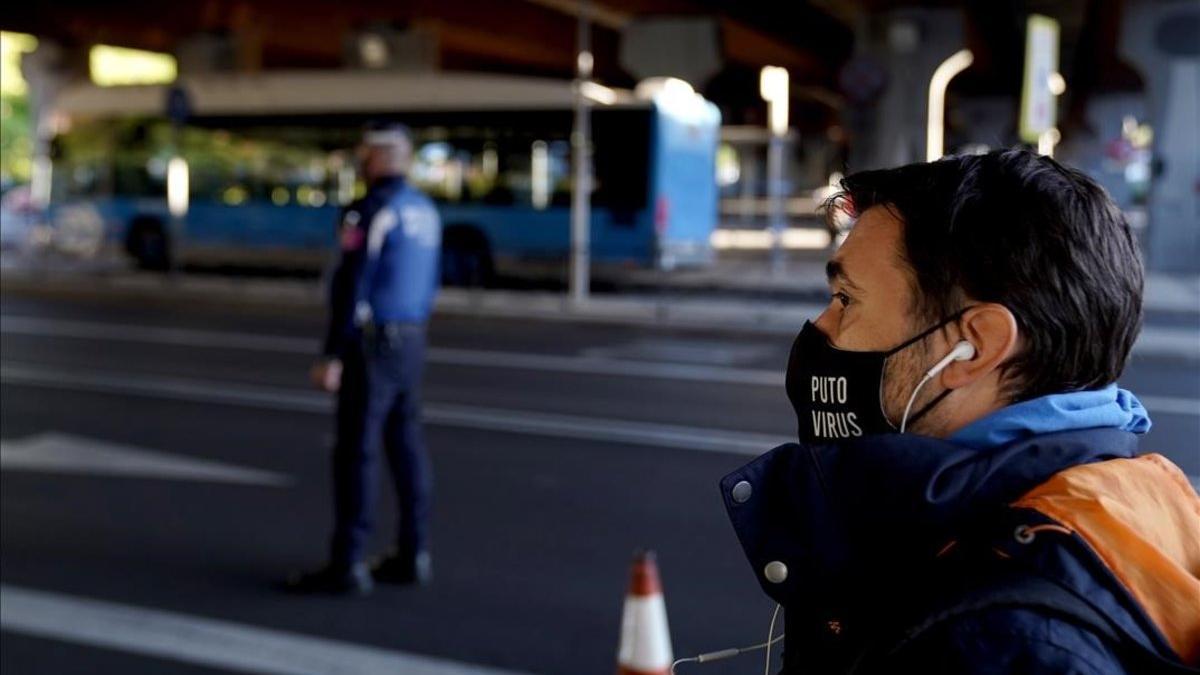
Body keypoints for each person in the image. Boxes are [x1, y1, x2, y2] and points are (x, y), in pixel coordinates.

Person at [721, 150, 1199, 673]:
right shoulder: (1130, 507)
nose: (821, 328)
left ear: (976, 344)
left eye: (845, 299)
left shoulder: (994, 643)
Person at [288, 124, 441, 595]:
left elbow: (350, 283)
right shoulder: (424, 208)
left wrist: (333, 352)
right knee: (406, 447)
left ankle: (347, 563)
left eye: (363, 156)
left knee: (357, 452)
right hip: (412, 341)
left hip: (372, 346)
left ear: (375, 160)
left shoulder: (370, 209)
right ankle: (412, 553)